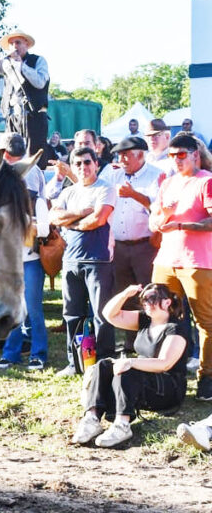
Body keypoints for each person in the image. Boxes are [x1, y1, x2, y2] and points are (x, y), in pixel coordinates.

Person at [72, 284, 189, 448]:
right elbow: (109, 315)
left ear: (167, 302)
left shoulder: (175, 329)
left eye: (152, 298)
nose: (147, 303)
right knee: (103, 365)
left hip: (168, 388)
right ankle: (92, 419)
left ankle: (122, 424)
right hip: (144, 379)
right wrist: (126, 293)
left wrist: (131, 362)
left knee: (128, 369)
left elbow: (164, 363)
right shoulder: (144, 320)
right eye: (144, 299)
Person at [148, 133, 212, 400]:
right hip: (166, 259)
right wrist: (160, 220)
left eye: (181, 155)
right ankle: (167, 373)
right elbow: (156, 219)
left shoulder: (206, 181)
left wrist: (183, 225)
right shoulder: (168, 182)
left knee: (206, 322)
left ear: (195, 154)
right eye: (171, 156)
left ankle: (206, 377)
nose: (175, 160)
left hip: (198, 261)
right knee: (161, 316)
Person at [49, 147, 117, 376]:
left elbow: (98, 219)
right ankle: (75, 362)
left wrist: (73, 222)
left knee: (102, 314)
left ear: (96, 164)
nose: (82, 167)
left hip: (98, 260)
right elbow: (54, 217)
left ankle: (105, 362)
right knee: (72, 313)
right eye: (77, 164)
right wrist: (82, 211)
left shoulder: (105, 188)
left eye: (87, 162)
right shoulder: (68, 192)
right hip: (70, 260)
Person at [0, 133, 49, 371]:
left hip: (30, 257)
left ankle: (39, 353)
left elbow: (40, 220)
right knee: (12, 308)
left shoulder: (32, 178)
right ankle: (11, 353)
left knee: (33, 308)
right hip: (8, 258)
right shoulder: (0, 174)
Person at [105, 136, 164, 352]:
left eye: (126, 154)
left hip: (145, 246)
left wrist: (133, 194)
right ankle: (131, 342)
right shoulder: (113, 173)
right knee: (126, 294)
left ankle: (154, 340)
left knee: (150, 294)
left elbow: (158, 207)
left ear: (141, 155)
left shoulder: (156, 175)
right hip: (119, 246)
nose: (122, 159)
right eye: (119, 154)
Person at [0, 27, 50, 157]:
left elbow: (40, 82)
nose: (14, 46)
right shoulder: (7, 63)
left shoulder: (38, 61)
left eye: (18, 42)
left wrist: (21, 65)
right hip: (13, 116)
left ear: (26, 44)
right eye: (11, 43)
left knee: (34, 157)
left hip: (34, 116)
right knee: (11, 154)